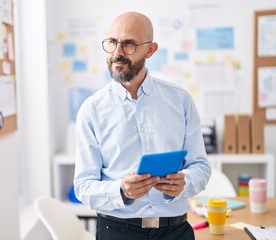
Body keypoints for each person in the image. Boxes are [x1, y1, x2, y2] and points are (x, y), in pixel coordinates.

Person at [73, 11, 211, 240]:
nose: (117, 53)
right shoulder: (91, 110)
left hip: (175, 232)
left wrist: (184, 182)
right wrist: (121, 190)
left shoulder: (180, 100)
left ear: (150, 50)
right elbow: (83, 186)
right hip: (116, 232)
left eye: (128, 44)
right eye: (112, 42)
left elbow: (201, 167)